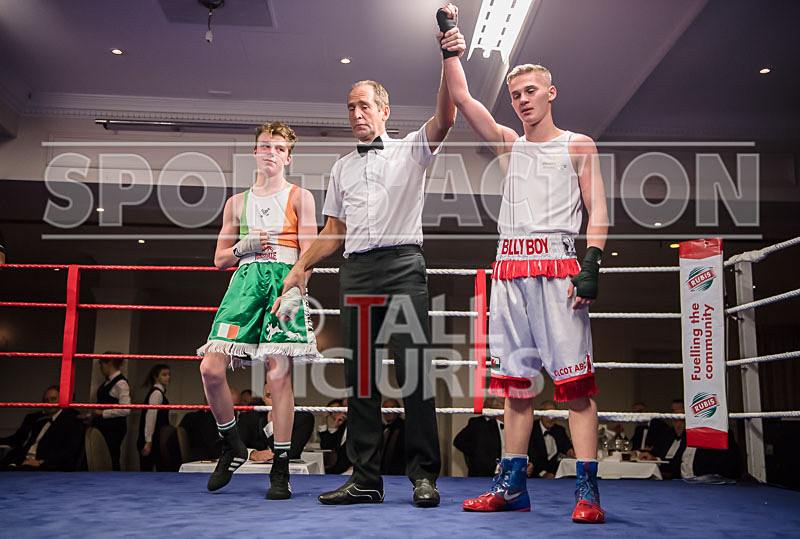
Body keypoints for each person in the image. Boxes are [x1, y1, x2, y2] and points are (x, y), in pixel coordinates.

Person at [439, 4, 609, 522]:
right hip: (510, 273)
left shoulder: (578, 145)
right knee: (516, 388)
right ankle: (512, 488)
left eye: (530, 91)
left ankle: (587, 494)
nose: (522, 101)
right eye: (515, 95)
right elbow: (464, 99)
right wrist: (449, 43)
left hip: (559, 273)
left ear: (551, 92)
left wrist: (592, 263)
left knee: (575, 387)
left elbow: (599, 210)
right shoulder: (509, 146)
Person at [278, 18, 457, 509]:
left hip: (403, 266)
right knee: (359, 377)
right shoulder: (341, 167)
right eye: (351, 107)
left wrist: (448, 55)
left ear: (384, 111)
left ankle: (423, 477)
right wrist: (299, 269)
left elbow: (446, 117)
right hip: (356, 270)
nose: (356, 114)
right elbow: (333, 232)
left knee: (413, 371)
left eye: (364, 106)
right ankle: (366, 480)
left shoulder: (411, 150)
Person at [197, 121, 319, 500]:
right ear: (254, 151)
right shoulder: (237, 203)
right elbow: (219, 259)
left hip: (284, 282)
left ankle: (280, 467)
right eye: (265, 146)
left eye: (279, 148)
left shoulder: (301, 197)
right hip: (245, 283)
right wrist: (242, 247)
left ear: (288, 157)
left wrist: (297, 293)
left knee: (278, 377)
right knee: (210, 367)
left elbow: (310, 254)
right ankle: (232, 443)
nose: (271, 153)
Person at [0, 385, 83, 471]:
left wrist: (40, 463)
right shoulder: (36, 419)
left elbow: (68, 453)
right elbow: (16, 439)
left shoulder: (71, 421)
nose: (49, 403)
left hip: (43, 466)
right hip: (19, 460)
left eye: (53, 399)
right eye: (46, 400)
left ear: (62, 400)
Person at [238, 375, 315, 461]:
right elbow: (235, 447)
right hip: (252, 467)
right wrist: (252, 454)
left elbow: (289, 454)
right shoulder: (250, 415)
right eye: (270, 396)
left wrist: (271, 425)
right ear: (263, 398)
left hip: (289, 467)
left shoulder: (303, 417)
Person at [91, 354, 131, 471]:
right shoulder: (107, 382)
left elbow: (126, 409)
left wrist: (103, 413)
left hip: (113, 428)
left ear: (110, 363)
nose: (101, 368)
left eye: (102, 364)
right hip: (104, 426)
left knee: (111, 457)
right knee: (103, 458)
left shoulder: (121, 383)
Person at [453, 398, 506, 477]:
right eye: (503, 404)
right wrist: (474, 458)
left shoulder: (517, 425)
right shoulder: (479, 424)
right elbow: (459, 441)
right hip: (486, 474)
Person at [527, 401, 575, 478]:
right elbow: (532, 456)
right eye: (548, 415)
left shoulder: (560, 430)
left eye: (553, 415)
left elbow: (567, 447)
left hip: (557, 474)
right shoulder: (531, 429)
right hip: (535, 474)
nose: (551, 418)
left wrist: (570, 451)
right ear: (541, 414)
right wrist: (543, 474)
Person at [137, 364, 171, 471]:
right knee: (148, 470)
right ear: (156, 377)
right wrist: (148, 442)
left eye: (169, 374)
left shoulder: (159, 393)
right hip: (152, 440)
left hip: (155, 439)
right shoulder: (156, 394)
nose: (168, 377)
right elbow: (150, 418)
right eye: (164, 375)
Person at [318, 398, 351, 475]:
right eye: (332, 411)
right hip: (339, 469)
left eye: (338, 409)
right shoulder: (341, 427)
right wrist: (326, 420)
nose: (335, 413)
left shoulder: (357, 424)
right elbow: (326, 446)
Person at [380, 398, 406, 475]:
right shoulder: (381, 428)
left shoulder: (405, 428)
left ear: (398, 411)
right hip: (381, 473)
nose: (389, 411)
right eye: (386, 408)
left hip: (400, 474)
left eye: (392, 408)